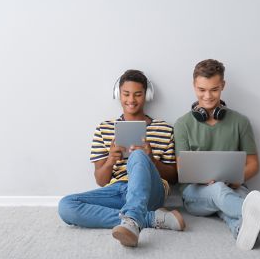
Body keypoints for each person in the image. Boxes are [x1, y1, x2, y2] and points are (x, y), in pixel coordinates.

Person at [58, 69, 185, 247]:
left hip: (151, 191)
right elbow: (101, 181)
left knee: (138, 155)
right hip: (117, 189)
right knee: (66, 206)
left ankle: (133, 220)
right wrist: (110, 159)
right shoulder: (104, 128)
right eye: (126, 94)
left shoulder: (164, 129)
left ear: (146, 95)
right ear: (118, 94)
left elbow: (174, 177)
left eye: (138, 94)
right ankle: (146, 218)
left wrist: (152, 159)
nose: (131, 100)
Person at [174, 59, 260, 250]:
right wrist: (205, 180)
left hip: (233, 187)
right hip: (195, 193)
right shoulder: (182, 124)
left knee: (230, 206)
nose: (208, 96)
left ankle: (242, 229)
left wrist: (236, 180)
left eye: (214, 89)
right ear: (194, 86)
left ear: (223, 86)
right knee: (220, 190)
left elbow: (253, 164)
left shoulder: (240, 122)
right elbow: (181, 169)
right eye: (202, 90)